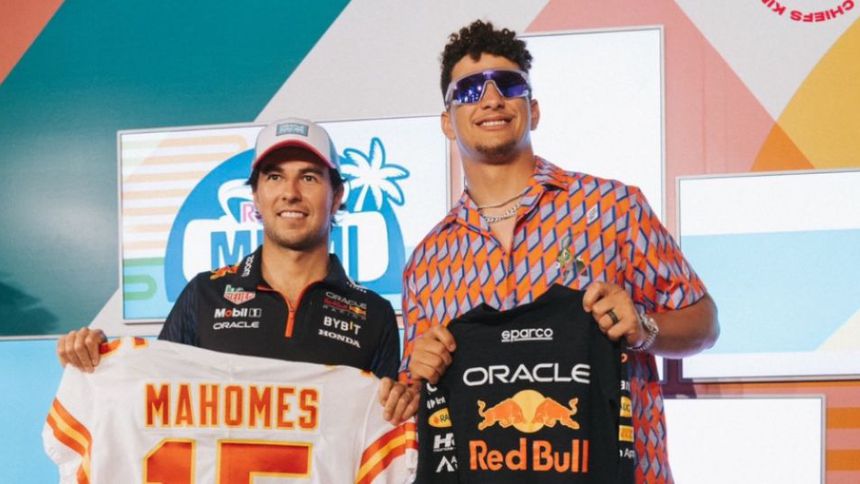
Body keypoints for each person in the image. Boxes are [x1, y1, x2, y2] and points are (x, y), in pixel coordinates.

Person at [400, 20, 719, 483]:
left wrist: (643, 328)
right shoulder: (428, 262)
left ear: (533, 110)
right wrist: (416, 375)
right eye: (469, 90)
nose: (491, 99)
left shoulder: (612, 208)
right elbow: (418, 397)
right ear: (447, 122)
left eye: (508, 85)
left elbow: (705, 324)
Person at [58, 117, 412, 420]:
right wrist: (96, 360)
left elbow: (381, 436)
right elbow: (151, 398)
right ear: (255, 196)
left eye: (308, 178)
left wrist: (406, 403)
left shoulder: (373, 314)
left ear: (337, 196)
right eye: (274, 177)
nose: (290, 193)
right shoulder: (204, 294)